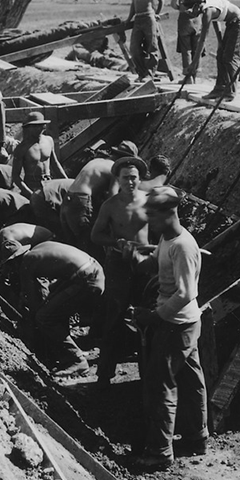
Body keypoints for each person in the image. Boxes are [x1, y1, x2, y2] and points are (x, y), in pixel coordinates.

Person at [131, 186, 208, 469]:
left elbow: (186, 292)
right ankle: (196, 437)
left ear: (169, 212)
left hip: (176, 324)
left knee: (160, 384)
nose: (147, 220)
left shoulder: (183, 246)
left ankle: (160, 452)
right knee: (189, 380)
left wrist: (155, 316)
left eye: (151, 214)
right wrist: (141, 259)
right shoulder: (166, 237)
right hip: (181, 322)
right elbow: (159, 263)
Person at [88, 155, 151, 383]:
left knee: (146, 315)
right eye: (125, 178)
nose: (130, 183)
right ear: (118, 179)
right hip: (118, 264)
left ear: (140, 178)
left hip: (144, 263)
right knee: (114, 315)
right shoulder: (110, 206)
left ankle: (147, 373)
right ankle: (104, 374)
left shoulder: (149, 201)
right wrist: (117, 243)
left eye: (133, 178)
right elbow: (96, 235)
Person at [3, 240, 105, 376]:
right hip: (93, 270)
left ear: (14, 261)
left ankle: (77, 360)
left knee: (44, 318)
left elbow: (35, 303)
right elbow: (45, 289)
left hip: (86, 280)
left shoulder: (26, 263)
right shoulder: (39, 249)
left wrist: (28, 324)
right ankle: (63, 355)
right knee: (53, 310)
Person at [59, 140, 141, 255]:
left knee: (74, 247)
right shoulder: (115, 170)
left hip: (68, 200)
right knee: (89, 246)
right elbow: (112, 198)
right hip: (81, 202)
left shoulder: (97, 161)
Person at [180, 0, 240, 101]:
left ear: (196, 6)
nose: (189, 13)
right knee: (220, 56)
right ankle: (219, 89)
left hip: (239, 24)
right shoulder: (205, 7)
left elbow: (202, 40)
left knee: (230, 59)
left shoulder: (208, 11)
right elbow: (216, 21)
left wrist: (194, 63)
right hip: (231, 24)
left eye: (190, 10)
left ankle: (231, 92)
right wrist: (220, 41)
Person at [10, 111, 68, 198]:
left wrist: (67, 182)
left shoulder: (49, 141)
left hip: (49, 184)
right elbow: (15, 176)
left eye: (40, 125)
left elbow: (55, 164)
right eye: (34, 126)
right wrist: (30, 194)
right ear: (28, 128)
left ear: (44, 126)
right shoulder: (22, 148)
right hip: (32, 186)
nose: (38, 128)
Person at [170, 0, 211, 84]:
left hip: (184, 19)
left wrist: (181, 9)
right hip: (197, 19)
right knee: (196, 48)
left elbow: (173, 4)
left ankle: (188, 78)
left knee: (186, 49)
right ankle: (195, 76)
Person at [125, 0, 164, 79]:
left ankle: (150, 74)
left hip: (148, 18)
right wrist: (128, 19)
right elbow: (133, 4)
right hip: (138, 19)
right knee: (134, 48)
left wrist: (156, 14)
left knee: (151, 46)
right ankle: (141, 73)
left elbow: (161, 0)